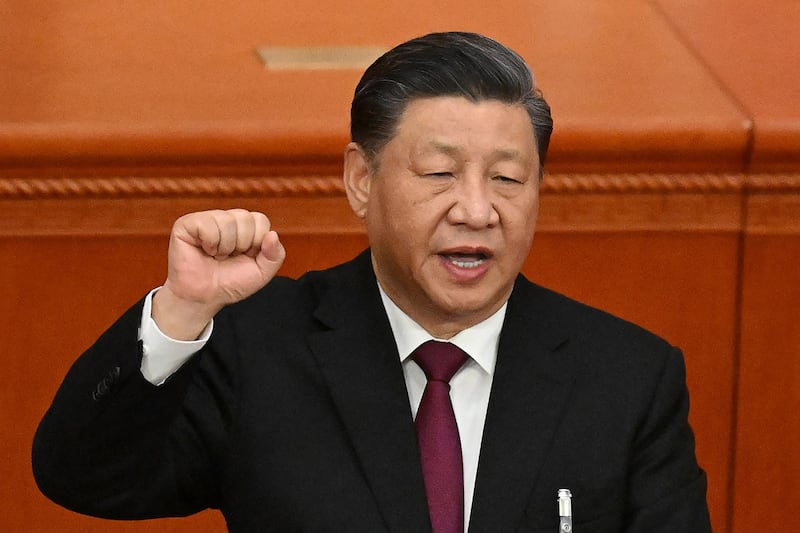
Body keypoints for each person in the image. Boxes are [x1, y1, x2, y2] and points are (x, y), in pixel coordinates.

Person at [33, 32, 712, 532]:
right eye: (440, 173)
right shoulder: (261, 348)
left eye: (508, 178)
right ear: (362, 179)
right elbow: (86, 477)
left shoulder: (626, 376)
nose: (477, 209)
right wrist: (180, 312)